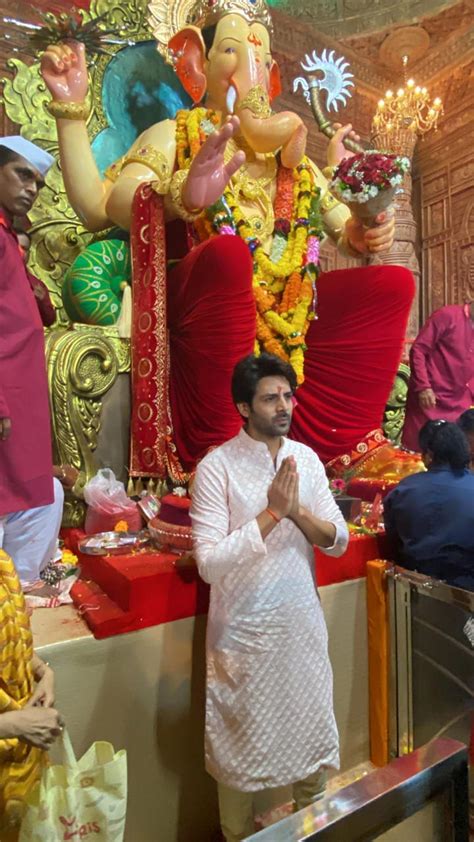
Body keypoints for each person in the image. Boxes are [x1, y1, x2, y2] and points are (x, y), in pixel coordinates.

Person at [40, 0, 414, 481]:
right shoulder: (180, 133)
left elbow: (346, 231)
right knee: (228, 255)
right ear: (197, 63)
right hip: (204, 305)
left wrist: (365, 228)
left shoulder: (293, 164)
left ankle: (349, 442)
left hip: (286, 318)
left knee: (393, 284)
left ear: (273, 75)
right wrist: (182, 193)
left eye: (259, 54)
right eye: (234, 50)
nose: (249, 68)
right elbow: (104, 206)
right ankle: (226, 450)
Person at [191, 353, 349, 842]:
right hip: (243, 637)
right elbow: (210, 563)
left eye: (287, 395)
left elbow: (337, 539)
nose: (284, 406)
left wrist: (295, 509)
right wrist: (271, 515)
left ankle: (314, 831)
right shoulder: (216, 468)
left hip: (299, 630)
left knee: (310, 745)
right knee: (238, 755)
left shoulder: (305, 459)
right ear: (243, 407)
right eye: (270, 398)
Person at [0, 136, 65, 586]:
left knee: (29, 493)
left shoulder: (7, 240)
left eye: (38, 183)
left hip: (21, 401)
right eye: (22, 174)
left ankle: (14, 606)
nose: (32, 189)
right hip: (5, 399)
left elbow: (43, 312)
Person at [0, 549, 63, 840]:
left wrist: (42, 671)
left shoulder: (2, 562)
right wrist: (15, 725)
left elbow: (10, 631)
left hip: (20, 768)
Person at [384, 420, 474, 591]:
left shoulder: (403, 490)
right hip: (467, 591)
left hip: (414, 589)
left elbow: (393, 541)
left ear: (429, 455)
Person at [402, 303, 474, 451]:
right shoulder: (447, 315)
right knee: (420, 454)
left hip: (460, 402)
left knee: (453, 455)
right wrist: (423, 387)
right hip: (430, 398)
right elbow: (418, 351)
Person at [15, 229, 56, 327]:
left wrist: (41, 301)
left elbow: (49, 320)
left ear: (28, 254)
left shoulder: (36, 285)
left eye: (24, 248)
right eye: (15, 245)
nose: (20, 251)